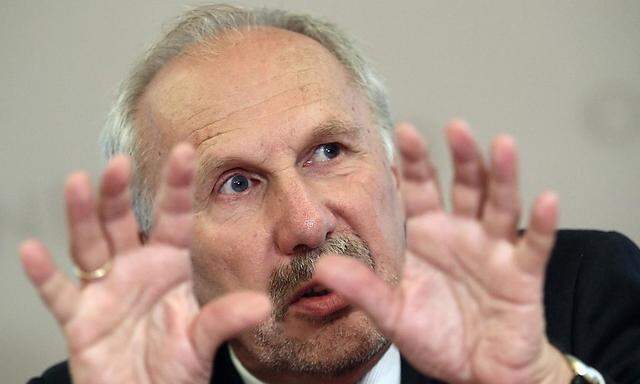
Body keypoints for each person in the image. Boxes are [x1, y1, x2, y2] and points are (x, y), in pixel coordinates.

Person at [21, 4, 640, 384]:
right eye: (236, 184)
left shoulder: (577, 299)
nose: (308, 223)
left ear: (394, 174)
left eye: (329, 152)